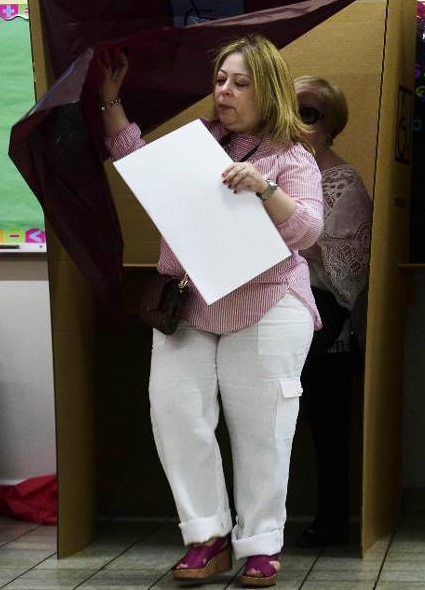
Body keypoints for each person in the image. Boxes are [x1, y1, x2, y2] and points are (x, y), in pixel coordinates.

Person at [96, 35, 323, 587]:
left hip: (267, 301)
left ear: (267, 90)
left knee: (263, 427)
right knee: (175, 415)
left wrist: (265, 188)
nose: (225, 90)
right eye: (221, 79)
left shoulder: (291, 157)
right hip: (192, 302)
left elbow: (309, 230)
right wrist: (109, 100)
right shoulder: (197, 143)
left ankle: (263, 544)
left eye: (240, 82)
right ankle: (208, 536)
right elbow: (135, 161)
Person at [292, 75, 372, 547]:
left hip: (325, 320)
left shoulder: (341, 181)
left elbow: (349, 275)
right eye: (291, 107)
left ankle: (332, 519)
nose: (299, 120)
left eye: (310, 112)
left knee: (328, 430)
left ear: (330, 124)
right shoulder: (271, 167)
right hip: (273, 310)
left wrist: (295, 233)